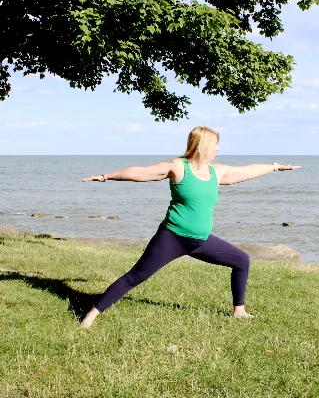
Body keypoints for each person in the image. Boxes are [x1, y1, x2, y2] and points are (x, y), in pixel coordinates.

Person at [80, 126, 301, 328]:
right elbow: (141, 172)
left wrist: (275, 167)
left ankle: (239, 311)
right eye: (215, 144)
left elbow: (248, 170)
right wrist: (106, 177)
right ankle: (90, 316)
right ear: (203, 145)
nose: (218, 148)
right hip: (172, 238)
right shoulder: (178, 167)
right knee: (135, 276)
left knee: (242, 260)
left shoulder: (217, 172)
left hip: (201, 241)